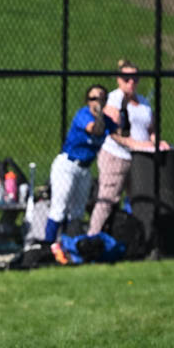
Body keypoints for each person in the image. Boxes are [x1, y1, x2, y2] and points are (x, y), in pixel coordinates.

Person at [87, 60, 169, 236]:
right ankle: (92, 238)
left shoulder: (144, 102)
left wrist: (157, 142)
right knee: (108, 199)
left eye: (135, 79)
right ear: (119, 80)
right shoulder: (114, 99)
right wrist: (136, 144)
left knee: (141, 201)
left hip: (140, 159)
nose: (131, 83)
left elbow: (150, 129)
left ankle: (142, 238)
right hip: (117, 157)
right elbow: (113, 132)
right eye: (126, 79)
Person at [44, 84, 117, 246]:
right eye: (93, 98)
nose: (97, 102)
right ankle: (48, 246)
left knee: (77, 212)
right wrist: (100, 115)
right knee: (59, 208)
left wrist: (123, 111)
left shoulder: (106, 120)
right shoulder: (83, 114)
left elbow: (121, 132)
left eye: (101, 98)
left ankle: (70, 246)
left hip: (85, 169)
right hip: (67, 166)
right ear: (87, 101)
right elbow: (95, 130)